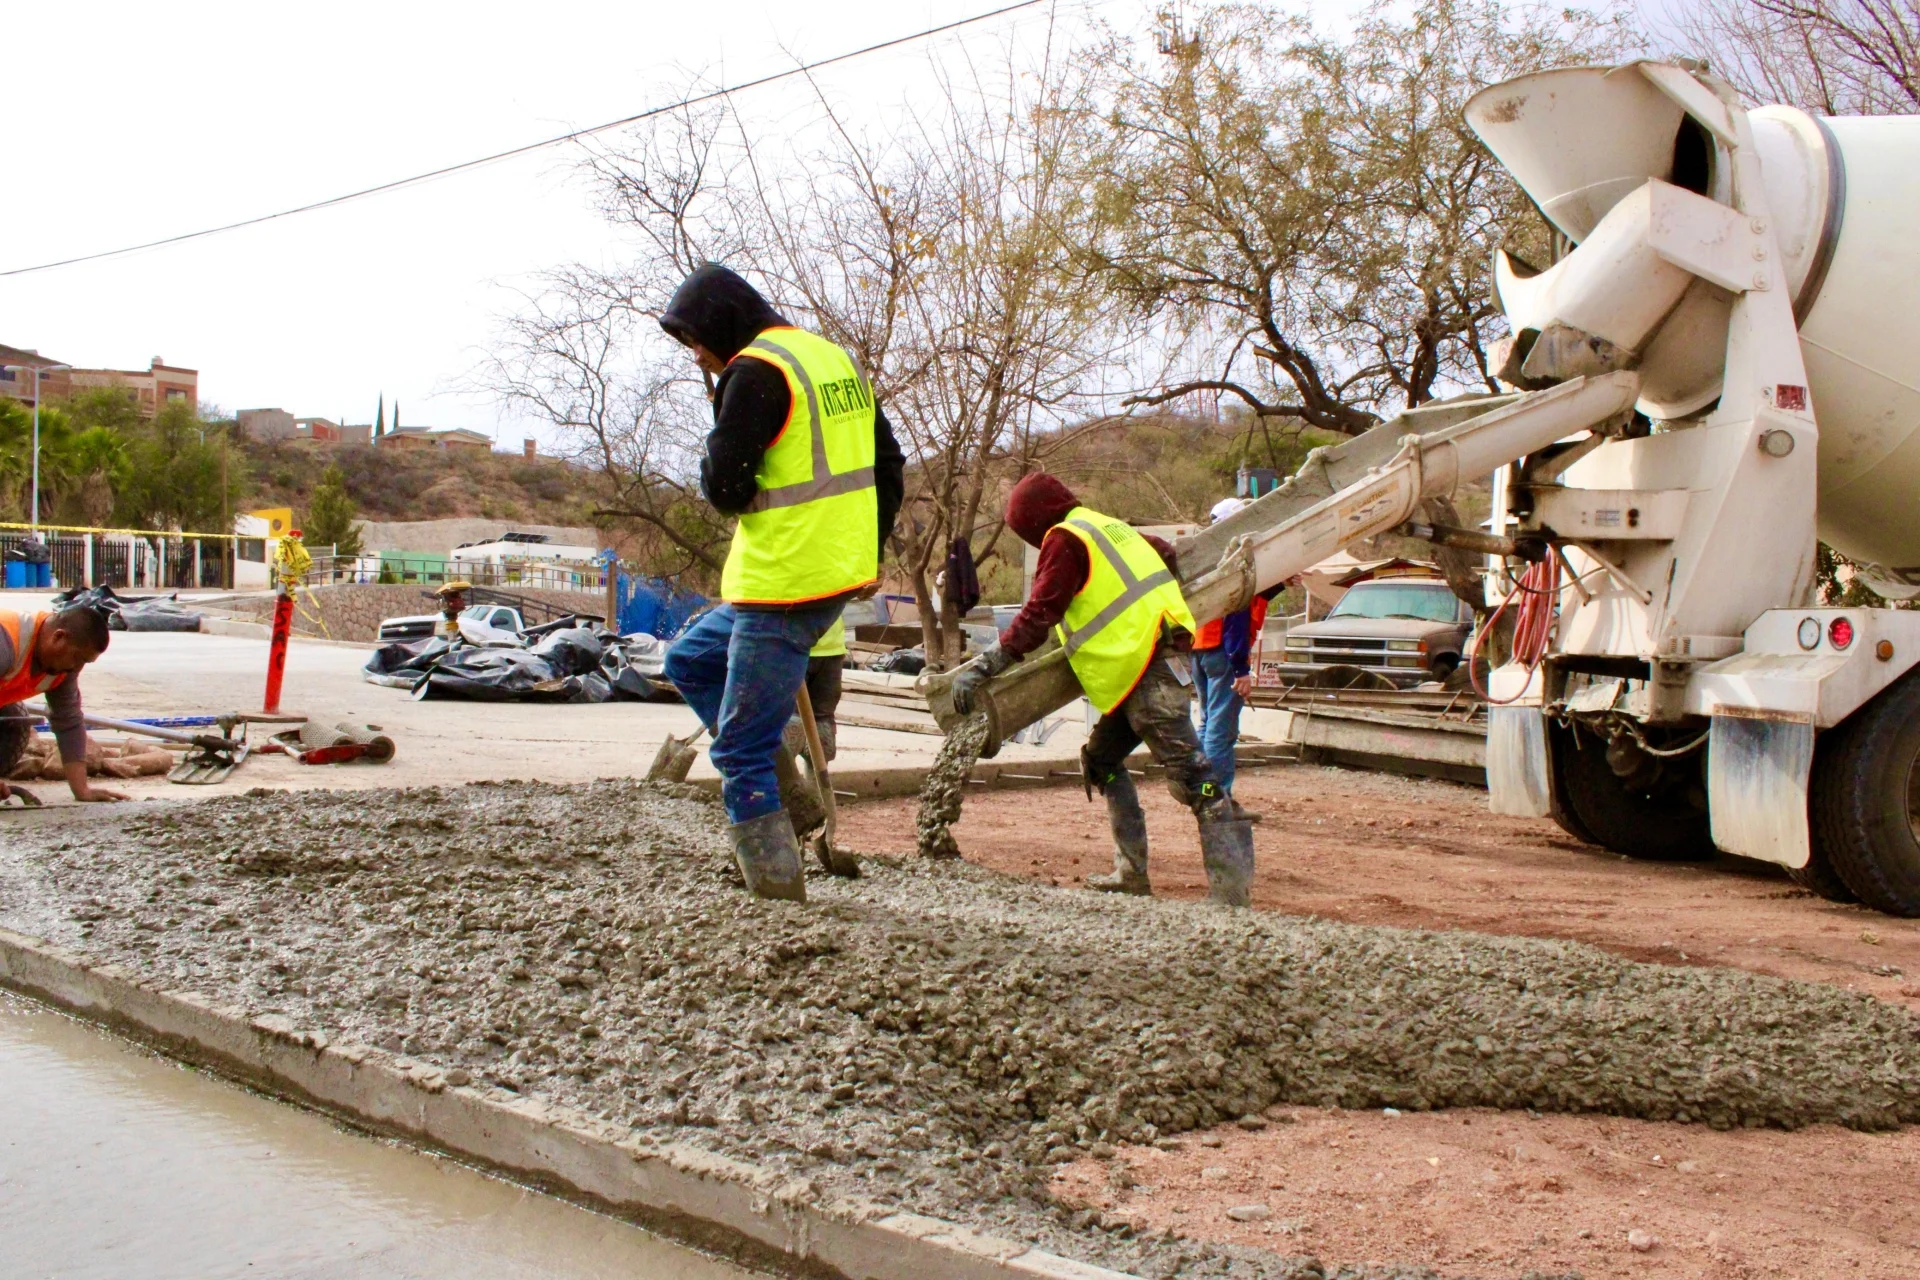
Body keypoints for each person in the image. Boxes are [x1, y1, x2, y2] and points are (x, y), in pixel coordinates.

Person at [660, 263, 905, 901]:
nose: (697, 355)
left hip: (787, 583)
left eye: (694, 339)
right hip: (821, 574)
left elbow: (726, 489)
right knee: (689, 659)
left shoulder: (755, 373)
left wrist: (716, 443)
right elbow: (889, 463)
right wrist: (868, 551)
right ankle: (785, 773)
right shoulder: (829, 360)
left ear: (718, 321)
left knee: (738, 751)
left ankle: (775, 892)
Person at [950, 473, 1254, 905]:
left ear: (1033, 523)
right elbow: (1166, 552)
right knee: (1101, 760)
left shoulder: (1065, 540)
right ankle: (1131, 874)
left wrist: (985, 665)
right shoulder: (1107, 526)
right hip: (1145, 665)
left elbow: (1040, 613)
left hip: (1146, 667)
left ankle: (1233, 899)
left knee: (1196, 781)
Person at [1191, 497, 1272, 823]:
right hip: (1223, 654)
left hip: (1201, 650)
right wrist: (1241, 667)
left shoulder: (1210, 557)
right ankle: (1216, 802)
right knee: (1220, 733)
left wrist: (1278, 584)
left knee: (1208, 724)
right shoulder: (1236, 559)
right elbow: (1237, 614)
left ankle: (1201, 794)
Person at [0, 604, 128, 806]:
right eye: (77, 658)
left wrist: (82, 790)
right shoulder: (6, 643)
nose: (77, 668)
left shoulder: (62, 670)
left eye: (85, 662)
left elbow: (68, 721)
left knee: (13, 726)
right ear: (58, 637)